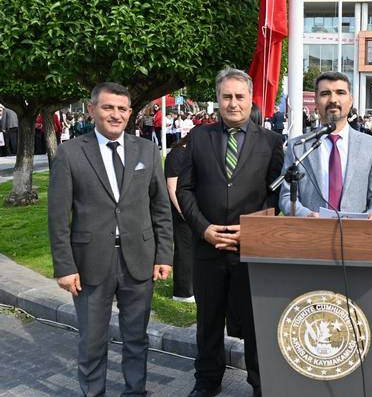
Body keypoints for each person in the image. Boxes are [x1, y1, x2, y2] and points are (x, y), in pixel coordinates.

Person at [48, 82, 173, 396]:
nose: (115, 115)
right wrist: (64, 266)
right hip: (90, 263)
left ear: (130, 113)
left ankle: (135, 392)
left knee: (137, 339)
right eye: (108, 108)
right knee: (92, 341)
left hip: (139, 260)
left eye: (121, 109)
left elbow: (160, 207)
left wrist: (164, 255)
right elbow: (58, 217)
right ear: (92, 110)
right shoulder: (70, 153)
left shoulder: (147, 150)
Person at [177, 67, 284, 397]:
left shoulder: (272, 142)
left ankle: (260, 384)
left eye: (239, 96)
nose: (233, 103)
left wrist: (252, 230)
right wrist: (204, 229)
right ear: (218, 99)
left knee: (255, 322)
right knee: (208, 321)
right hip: (208, 248)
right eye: (227, 96)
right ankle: (207, 380)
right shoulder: (199, 138)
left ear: (251, 99)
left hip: (250, 249)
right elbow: (185, 189)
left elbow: (276, 194)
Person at [279, 71, 372, 219]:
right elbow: (286, 196)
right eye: (325, 93)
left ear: (350, 101)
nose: (333, 99)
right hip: (311, 230)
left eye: (340, 93)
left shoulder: (370, 146)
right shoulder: (298, 147)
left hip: (357, 231)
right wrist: (306, 216)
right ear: (316, 101)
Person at [164, 135, 194, 303]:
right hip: (181, 211)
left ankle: (192, 287)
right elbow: (172, 187)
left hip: (192, 210)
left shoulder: (192, 153)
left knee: (192, 250)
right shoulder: (177, 154)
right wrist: (183, 212)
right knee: (184, 251)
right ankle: (182, 292)